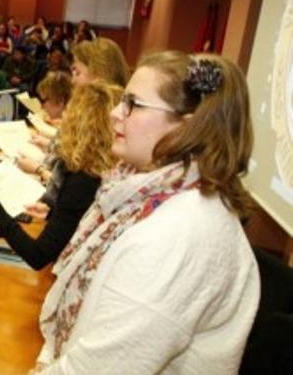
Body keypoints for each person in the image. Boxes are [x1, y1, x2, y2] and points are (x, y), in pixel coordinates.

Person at [30, 51, 260, 373]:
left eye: (133, 105)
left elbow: (102, 368)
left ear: (186, 127)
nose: (114, 113)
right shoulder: (141, 192)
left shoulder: (181, 235)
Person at [0, 81, 122, 270]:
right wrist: (52, 215)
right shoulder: (98, 169)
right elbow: (76, 222)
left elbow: (37, 256)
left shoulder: (82, 179)